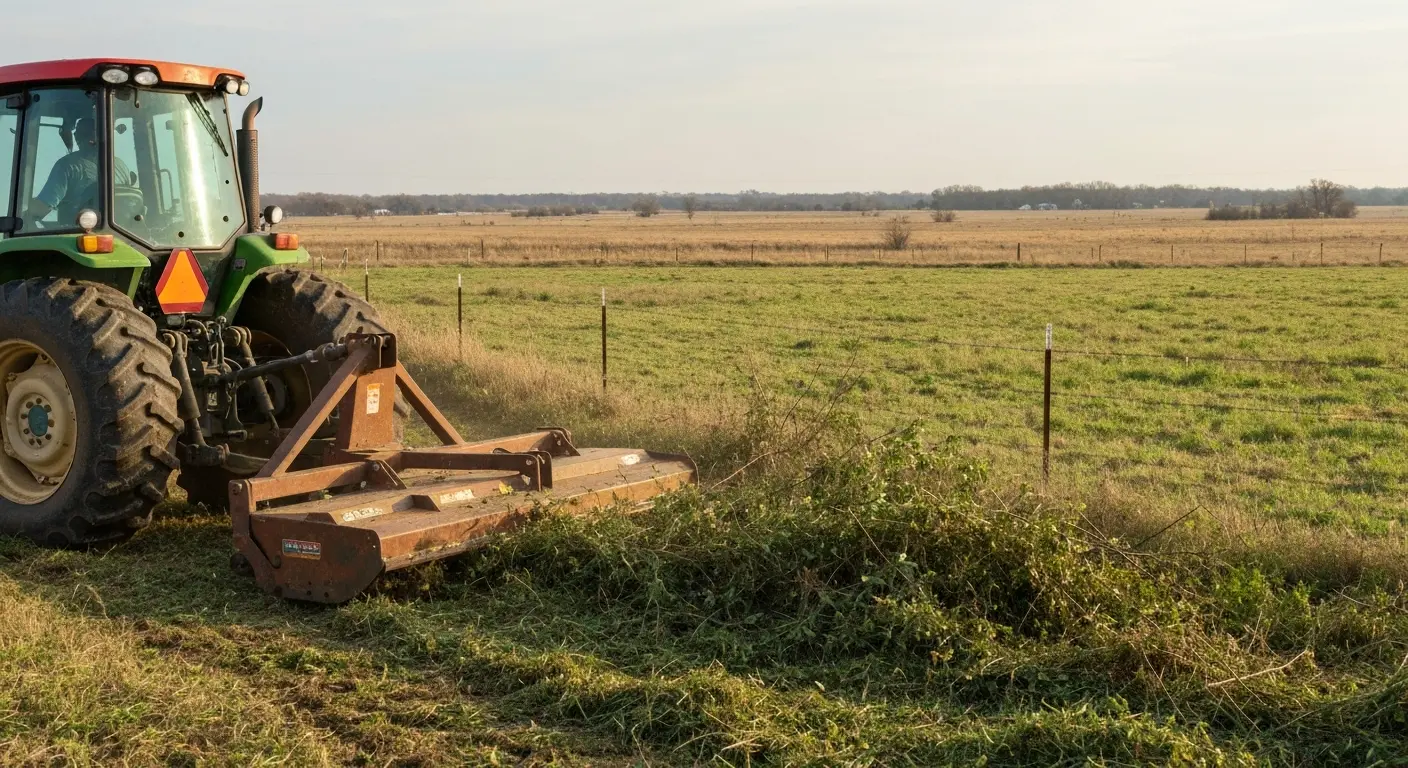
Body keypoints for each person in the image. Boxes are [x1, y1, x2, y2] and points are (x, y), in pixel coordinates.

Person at [25, 117, 133, 228]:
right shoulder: (121, 166)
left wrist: (23, 217)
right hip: (119, 232)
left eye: (77, 133)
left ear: (77, 137)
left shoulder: (69, 166)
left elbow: (43, 206)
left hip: (76, 233)